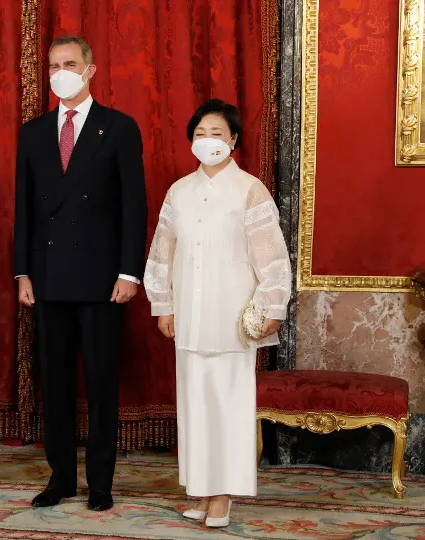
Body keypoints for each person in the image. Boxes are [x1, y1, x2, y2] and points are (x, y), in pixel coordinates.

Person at [14, 36, 147, 512]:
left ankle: (100, 482)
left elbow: (134, 205)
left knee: (101, 381)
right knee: (55, 383)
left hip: (101, 279)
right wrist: (22, 272)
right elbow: (24, 209)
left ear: (90, 69)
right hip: (48, 276)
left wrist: (130, 272)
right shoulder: (33, 132)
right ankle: (61, 478)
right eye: (54, 65)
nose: (60, 73)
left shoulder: (119, 127)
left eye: (69, 64)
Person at [143, 99, 290, 527]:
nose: (209, 140)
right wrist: (164, 305)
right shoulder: (179, 192)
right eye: (201, 134)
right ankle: (202, 490)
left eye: (217, 133)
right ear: (191, 140)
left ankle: (223, 495)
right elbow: (163, 252)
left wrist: (273, 305)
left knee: (228, 405)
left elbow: (272, 255)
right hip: (189, 315)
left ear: (234, 140)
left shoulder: (249, 189)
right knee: (195, 406)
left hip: (232, 316)